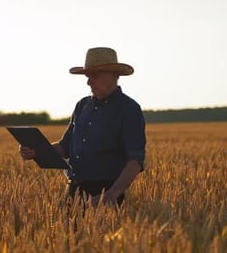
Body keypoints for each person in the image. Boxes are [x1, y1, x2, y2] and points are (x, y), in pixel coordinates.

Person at [19, 47, 146, 207]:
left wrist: (111, 194)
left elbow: (135, 160)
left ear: (114, 75)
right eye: (87, 76)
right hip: (73, 190)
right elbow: (65, 147)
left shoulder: (128, 109)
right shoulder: (82, 105)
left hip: (105, 193)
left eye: (95, 75)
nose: (88, 82)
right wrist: (37, 151)